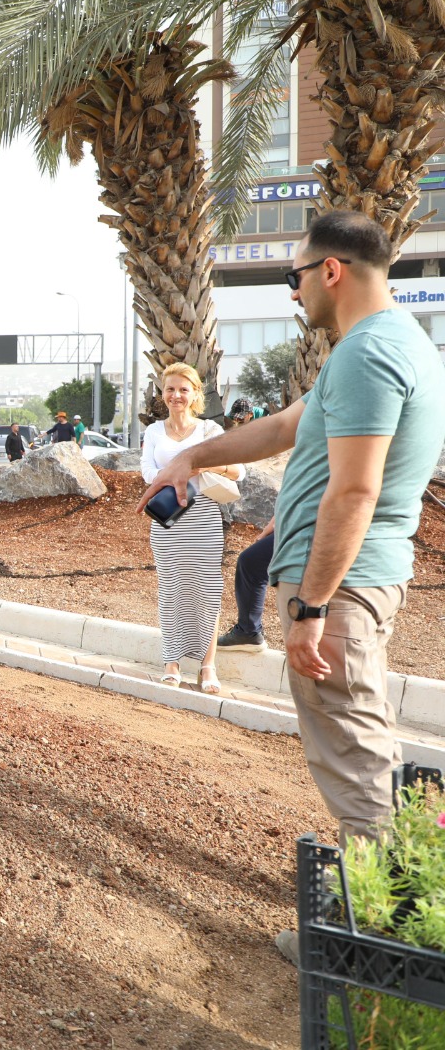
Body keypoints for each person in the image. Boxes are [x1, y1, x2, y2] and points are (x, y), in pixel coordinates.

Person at [140, 209, 445, 851]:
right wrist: (192, 456)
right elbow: (283, 426)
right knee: (358, 739)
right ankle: (376, 912)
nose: (293, 289)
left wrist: (311, 606)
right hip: (348, 582)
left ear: (330, 271)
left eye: (295, 274)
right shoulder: (373, 347)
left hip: (339, 589)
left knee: (354, 758)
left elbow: (356, 489)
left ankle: (373, 936)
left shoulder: (372, 353)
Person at [140, 363, 241, 693]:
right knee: (171, 591)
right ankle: (171, 663)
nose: (176, 395)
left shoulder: (209, 431)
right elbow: (147, 474)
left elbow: (237, 471)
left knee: (207, 592)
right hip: (168, 521)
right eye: (170, 389)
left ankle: (207, 666)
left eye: (184, 389)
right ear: (163, 393)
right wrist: (181, 471)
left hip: (204, 518)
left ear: (196, 394)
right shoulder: (154, 432)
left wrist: (193, 465)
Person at [218, 402, 272, 652]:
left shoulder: (267, 421)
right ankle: (249, 630)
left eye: (242, 419)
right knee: (251, 562)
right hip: (293, 518)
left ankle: (249, 630)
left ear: (251, 415)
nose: (239, 422)